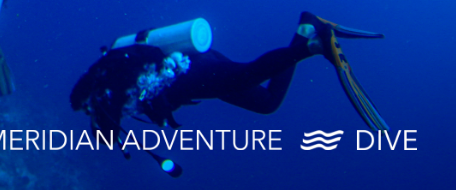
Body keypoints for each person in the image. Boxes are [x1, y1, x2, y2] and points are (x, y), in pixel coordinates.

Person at [69, 12, 387, 177]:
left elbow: (112, 129)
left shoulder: (107, 98)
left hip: (189, 75)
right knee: (267, 103)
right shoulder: (105, 77)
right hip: (196, 65)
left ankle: (314, 46)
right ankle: (306, 29)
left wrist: (108, 128)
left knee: (246, 75)